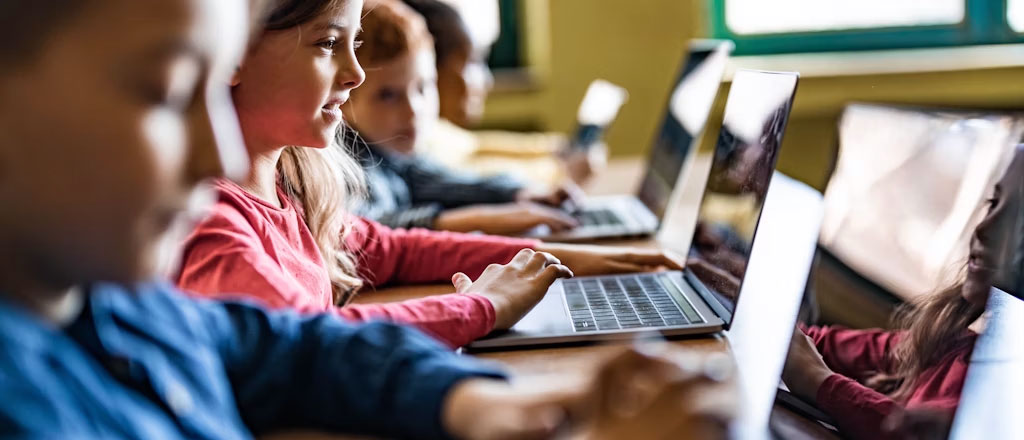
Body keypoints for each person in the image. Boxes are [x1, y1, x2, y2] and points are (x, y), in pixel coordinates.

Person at [0, 0, 735, 437]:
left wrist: (481, 403)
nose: (217, 148)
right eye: (165, 93)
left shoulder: (118, 306)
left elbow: (297, 349)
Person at [176, 0, 684, 349]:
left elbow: (396, 250)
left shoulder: (293, 183)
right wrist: (482, 307)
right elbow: (315, 339)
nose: (355, 75)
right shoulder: (209, 221)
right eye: (329, 44)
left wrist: (567, 260)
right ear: (232, 54)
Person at [781, 146, 1024, 440]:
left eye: (1017, 220)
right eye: (993, 204)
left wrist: (818, 381)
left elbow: (906, 432)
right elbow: (819, 344)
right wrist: (738, 299)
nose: (984, 228)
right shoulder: (950, 344)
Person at [342, 0, 580, 233]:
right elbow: (366, 231)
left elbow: (437, 181)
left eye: (423, 87)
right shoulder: (343, 164)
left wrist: (518, 193)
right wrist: (478, 220)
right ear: (342, 97)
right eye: (388, 96)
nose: (414, 110)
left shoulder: (391, 154)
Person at [402, 0, 606, 186]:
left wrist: (556, 149)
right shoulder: (411, 141)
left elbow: (474, 148)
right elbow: (473, 180)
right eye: (472, 62)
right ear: (432, 67)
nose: (487, 80)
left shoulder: (437, 132)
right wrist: (561, 171)